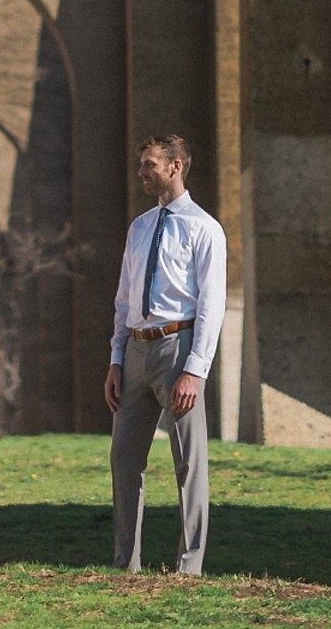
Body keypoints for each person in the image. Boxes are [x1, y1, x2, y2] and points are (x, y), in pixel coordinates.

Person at [104, 132, 226, 576]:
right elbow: (123, 299)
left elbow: (212, 306)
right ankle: (125, 563)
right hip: (136, 350)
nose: (142, 172)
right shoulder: (139, 228)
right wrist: (116, 360)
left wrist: (195, 370)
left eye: (150, 165)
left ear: (175, 166)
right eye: (142, 164)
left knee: (189, 462)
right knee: (124, 461)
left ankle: (189, 565)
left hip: (179, 349)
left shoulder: (204, 229)